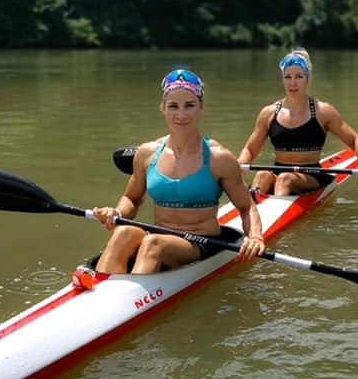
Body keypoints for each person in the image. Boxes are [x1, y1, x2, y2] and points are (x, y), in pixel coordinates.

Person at [93, 68, 266, 274]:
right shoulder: (146, 154)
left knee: (153, 244)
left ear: (201, 107)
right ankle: (98, 288)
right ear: (163, 108)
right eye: (173, 106)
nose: (181, 114)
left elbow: (246, 207)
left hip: (201, 243)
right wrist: (117, 212)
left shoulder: (219, 158)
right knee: (123, 233)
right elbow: (131, 198)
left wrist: (255, 237)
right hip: (159, 234)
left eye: (189, 106)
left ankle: (135, 298)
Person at [237, 48, 358, 196]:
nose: (293, 83)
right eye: (288, 77)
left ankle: (274, 211)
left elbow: (354, 139)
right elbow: (250, 150)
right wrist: (241, 161)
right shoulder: (269, 113)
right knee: (261, 175)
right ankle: (252, 204)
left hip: (312, 176)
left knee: (285, 179)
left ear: (307, 79)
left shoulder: (323, 112)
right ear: (283, 80)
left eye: (299, 76)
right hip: (278, 173)